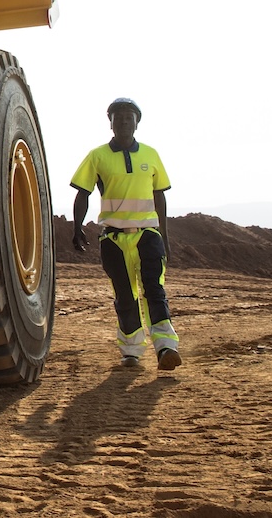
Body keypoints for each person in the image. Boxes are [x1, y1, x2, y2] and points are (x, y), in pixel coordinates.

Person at [69, 98, 181, 370]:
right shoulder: (97, 156)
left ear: (137, 123)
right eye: (117, 118)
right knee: (125, 295)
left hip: (148, 235)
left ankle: (166, 347)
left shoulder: (151, 155)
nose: (123, 122)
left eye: (128, 118)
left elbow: (159, 196)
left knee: (154, 290)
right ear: (110, 123)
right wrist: (77, 228)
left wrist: (164, 236)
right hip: (113, 239)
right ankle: (131, 351)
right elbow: (82, 193)